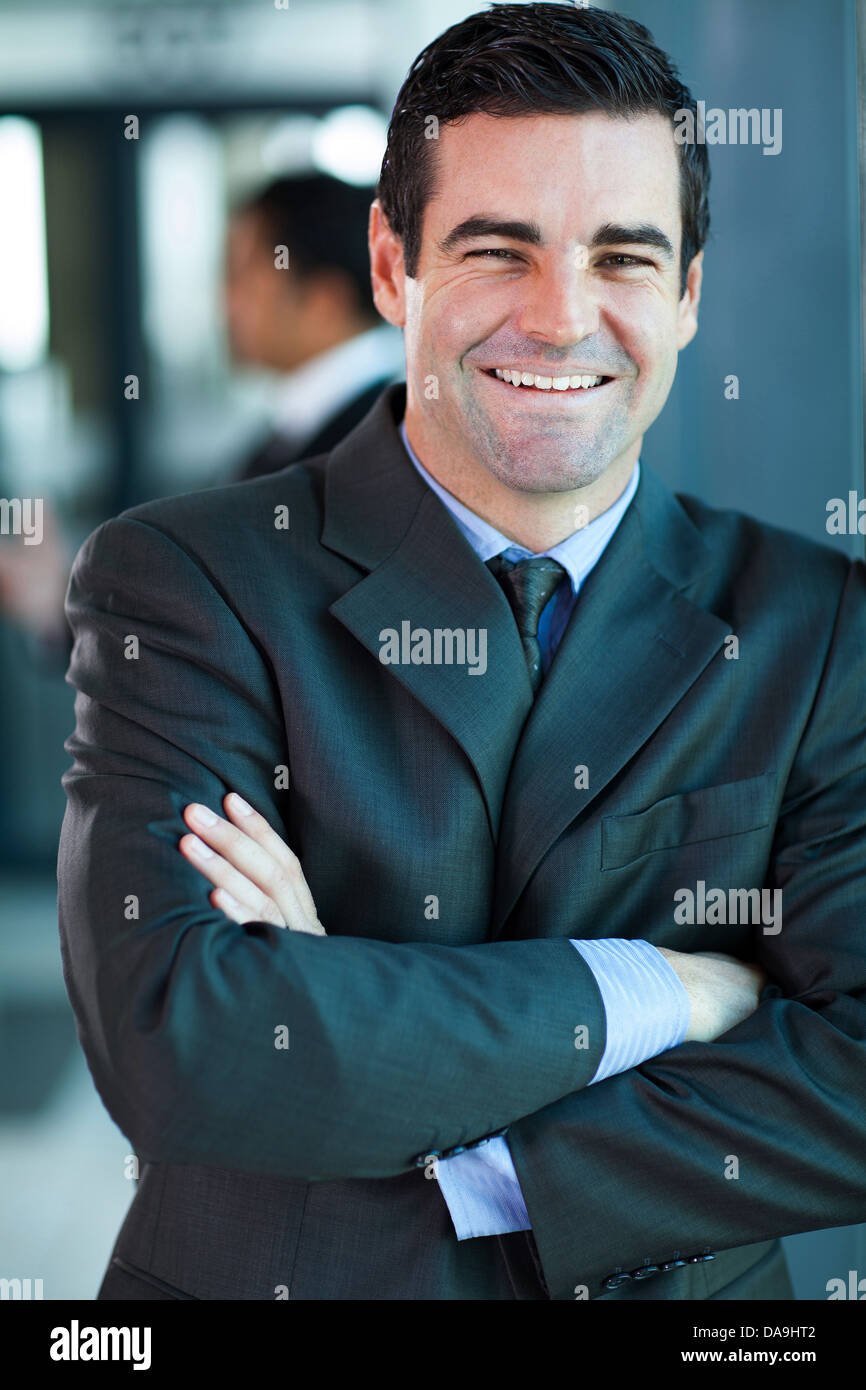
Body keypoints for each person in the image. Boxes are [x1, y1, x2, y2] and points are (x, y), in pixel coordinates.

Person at [58, 3, 866, 1301]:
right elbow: (190, 1046)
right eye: (498, 249)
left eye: (622, 256)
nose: (560, 318)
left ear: (688, 294)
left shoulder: (817, 620)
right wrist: (667, 988)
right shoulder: (192, 577)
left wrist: (384, 1056)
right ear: (392, 266)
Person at [224, 173, 404, 479]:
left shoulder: (380, 443)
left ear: (326, 302)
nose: (229, 302)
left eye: (244, 278)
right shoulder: (306, 422)